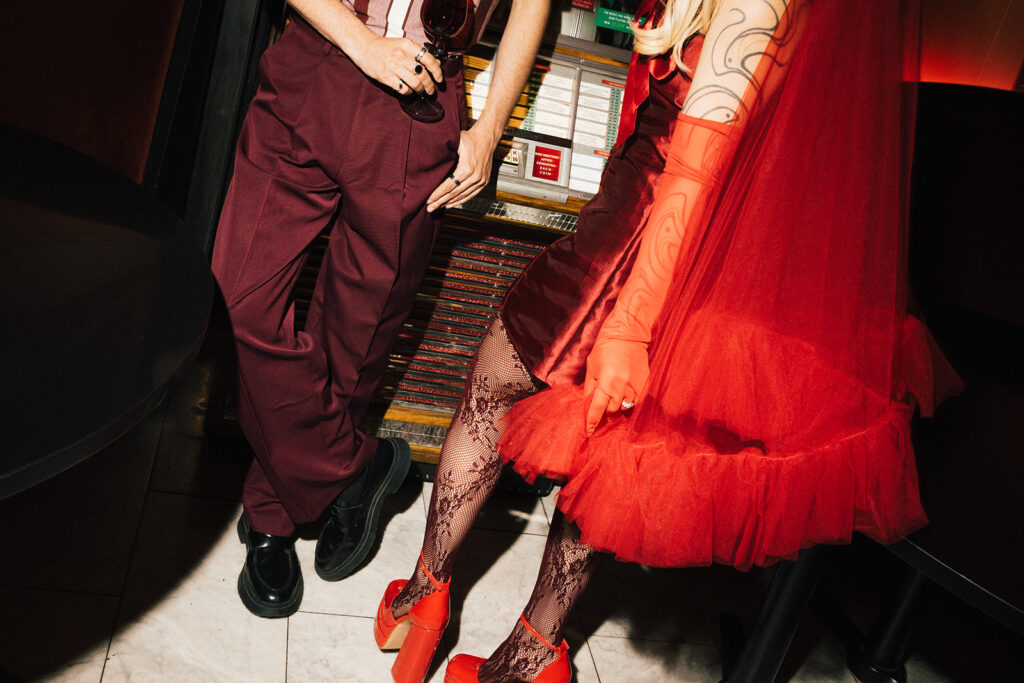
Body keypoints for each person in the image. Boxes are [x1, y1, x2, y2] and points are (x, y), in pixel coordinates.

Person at [374, 0, 961, 680]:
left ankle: (426, 602)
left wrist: (628, 327)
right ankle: (530, 654)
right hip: (692, 255)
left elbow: (689, 170)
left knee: (494, 392)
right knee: (604, 452)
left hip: (636, 245)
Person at [211, 0, 550, 619]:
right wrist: (361, 45)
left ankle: (272, 513)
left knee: (355, 338)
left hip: (420, 97)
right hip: (316, 63)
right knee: (240, 300)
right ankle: (355, 465)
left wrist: (491, 127)